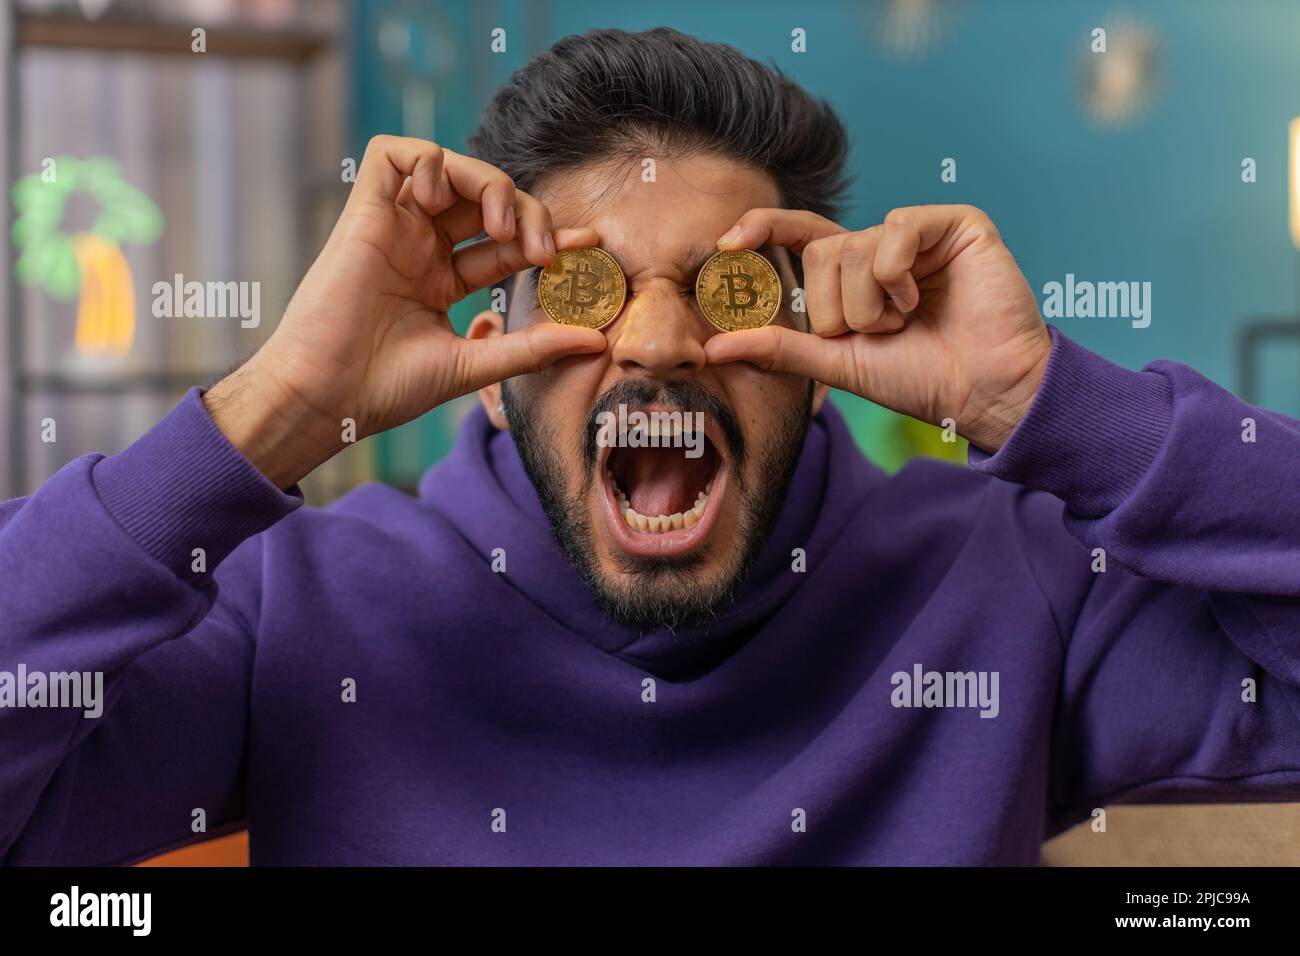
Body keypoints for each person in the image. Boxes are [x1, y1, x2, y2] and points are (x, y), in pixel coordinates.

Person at [2, 28, 1297, 866]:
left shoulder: (1009, 585)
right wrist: (278, 405)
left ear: (812, 339)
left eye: (727, 285)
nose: (662, 340)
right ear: (491, 356)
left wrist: (1054, 402)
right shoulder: (303, 602)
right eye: (585, 288)